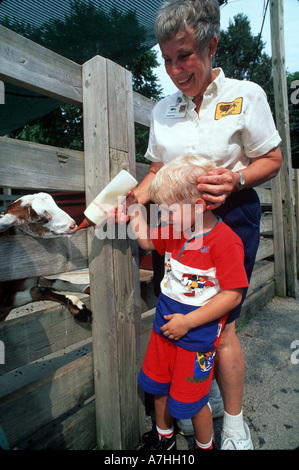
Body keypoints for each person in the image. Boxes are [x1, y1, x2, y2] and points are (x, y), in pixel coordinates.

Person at [117, 0, 282, 450]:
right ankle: (175, 418)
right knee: (176, 307)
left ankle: (232, 424)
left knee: (221, 325)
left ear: (210, 45)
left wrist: (237, 178)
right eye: (166, 58)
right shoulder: (162, 110)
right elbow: (155, 171)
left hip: (230, 218)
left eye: (184, 55)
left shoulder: (247, 95)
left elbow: (273, 159)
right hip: (178, 220)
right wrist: (132, 200)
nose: (174, 69)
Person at [125, 155, 249, 450]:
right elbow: (145, 242)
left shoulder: (225, 242)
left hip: (196, 336)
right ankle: (163, 439)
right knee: (158, 387)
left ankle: (204, 446)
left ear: (198, 206)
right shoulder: (174, 231)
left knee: (194, 401)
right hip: (164, 328)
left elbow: (232, 295)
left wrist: (188, 322)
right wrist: (134, 212)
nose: (164, 218)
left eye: (168, 211)